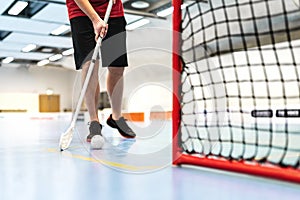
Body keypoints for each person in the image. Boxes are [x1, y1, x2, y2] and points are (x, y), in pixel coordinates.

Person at [66, 0, 136, 141]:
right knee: (89, 65)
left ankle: (116, 117)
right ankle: (94, 121)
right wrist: (95, 19)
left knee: (117, 66)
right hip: (80, 11)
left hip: (113, 11)